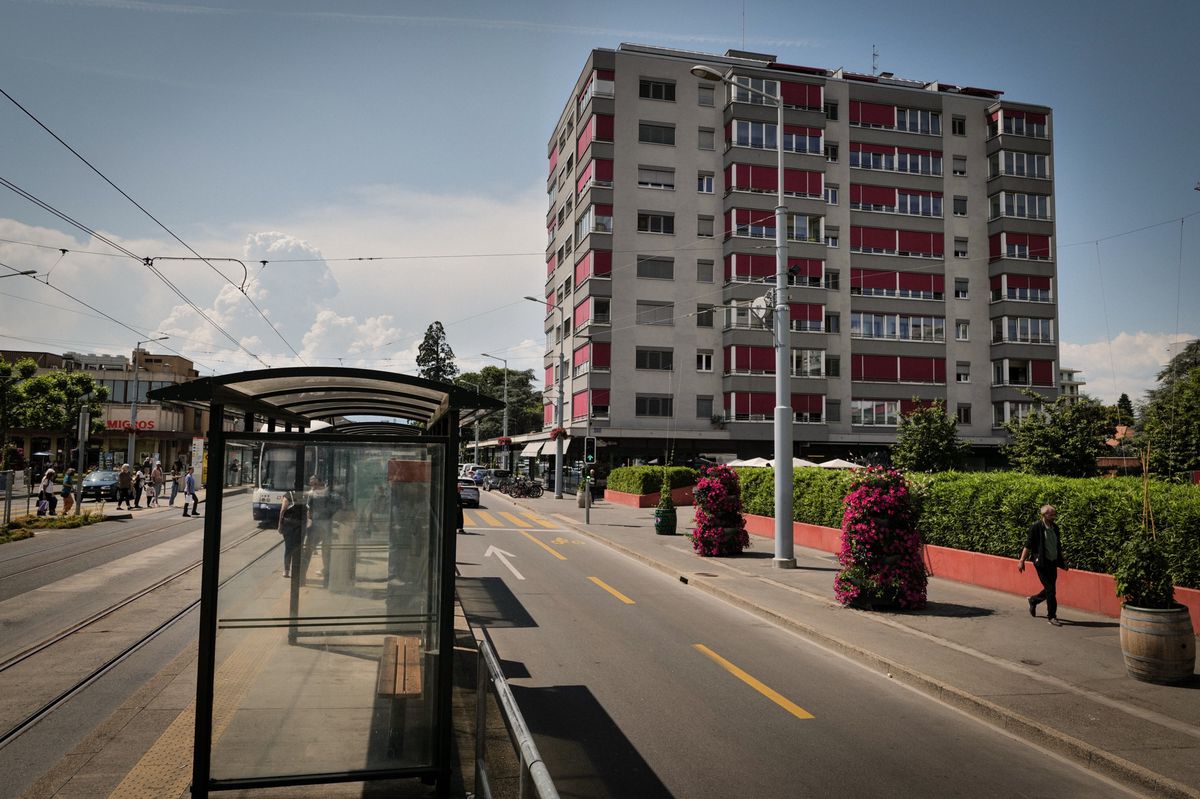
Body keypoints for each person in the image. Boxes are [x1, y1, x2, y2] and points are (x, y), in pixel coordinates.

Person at [1019, 504, 1069, 626]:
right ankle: (1052, 616)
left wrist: (1063, 561)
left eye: (1054, 514)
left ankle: (1033, 600)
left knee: (1050, 588)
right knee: (1051, 590)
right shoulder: (1036, 527)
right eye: (1051, 514)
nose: (1054, 516)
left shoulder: (1055, 528)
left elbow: (1058, 546)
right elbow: (1028, 545)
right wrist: (1021, 561)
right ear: (1044, 515)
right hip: (1041, 562)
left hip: (1053, 562)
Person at [278, 489, 304, 578]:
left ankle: (286, 570)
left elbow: (282, 510)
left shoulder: (288, 494)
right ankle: (297, 570)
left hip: (288, 524)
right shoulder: (305, 494)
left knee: (288, 547)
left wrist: (280, 525)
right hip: (300, 524)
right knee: (298, 547)